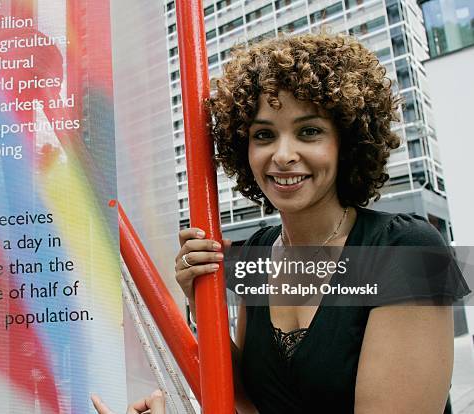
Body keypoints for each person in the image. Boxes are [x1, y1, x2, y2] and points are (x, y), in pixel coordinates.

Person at [175, 32, 470, 413]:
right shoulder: (259, 252)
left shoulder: (408, 248)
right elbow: (249, 403)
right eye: (264, 134)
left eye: (309, 131)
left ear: (345, 141)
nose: (282, 155)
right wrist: (204, 305)